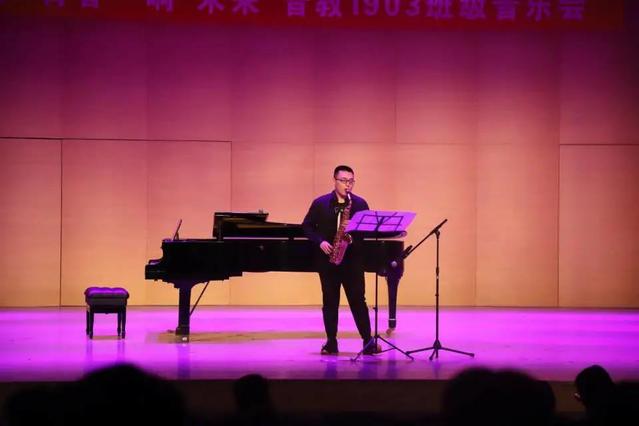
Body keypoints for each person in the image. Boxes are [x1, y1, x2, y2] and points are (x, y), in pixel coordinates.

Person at [302, 165, 380, 355]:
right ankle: (331, 342)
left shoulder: (359, 204)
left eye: (351, 181)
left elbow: (367, 230)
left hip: (353, 260)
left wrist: (352, 237)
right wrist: (320, 241)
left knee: (358, 301)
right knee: (330, 302)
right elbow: (306, 226)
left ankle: (368, 341)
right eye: (344, 181)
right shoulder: (320, 203)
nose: (348, 185)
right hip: (328, 260)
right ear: (335, 180)